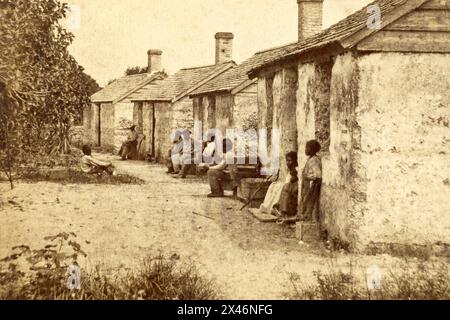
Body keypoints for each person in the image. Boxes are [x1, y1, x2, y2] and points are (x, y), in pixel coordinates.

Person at [272, 151, 299, 223]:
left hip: (293, 186)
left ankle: (283, 211)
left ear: (294, 161)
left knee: (284, 190)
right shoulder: (290, 169)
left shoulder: (295, 169)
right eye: (287, 160)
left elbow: (293, 179)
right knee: (275, 187)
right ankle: (279, 209)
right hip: (290, 185)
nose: (288, 162)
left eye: (290, 160)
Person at [299, 140, 322, 221]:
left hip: (312, 184)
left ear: (311, 149)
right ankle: (305, 219)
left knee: (309, 202)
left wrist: (307, 177)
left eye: (307, 148)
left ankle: (308, 220)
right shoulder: (310, 159)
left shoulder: (314, 160)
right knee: (305, 201)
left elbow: (317, 175)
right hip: (307, 184)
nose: (305, 150)